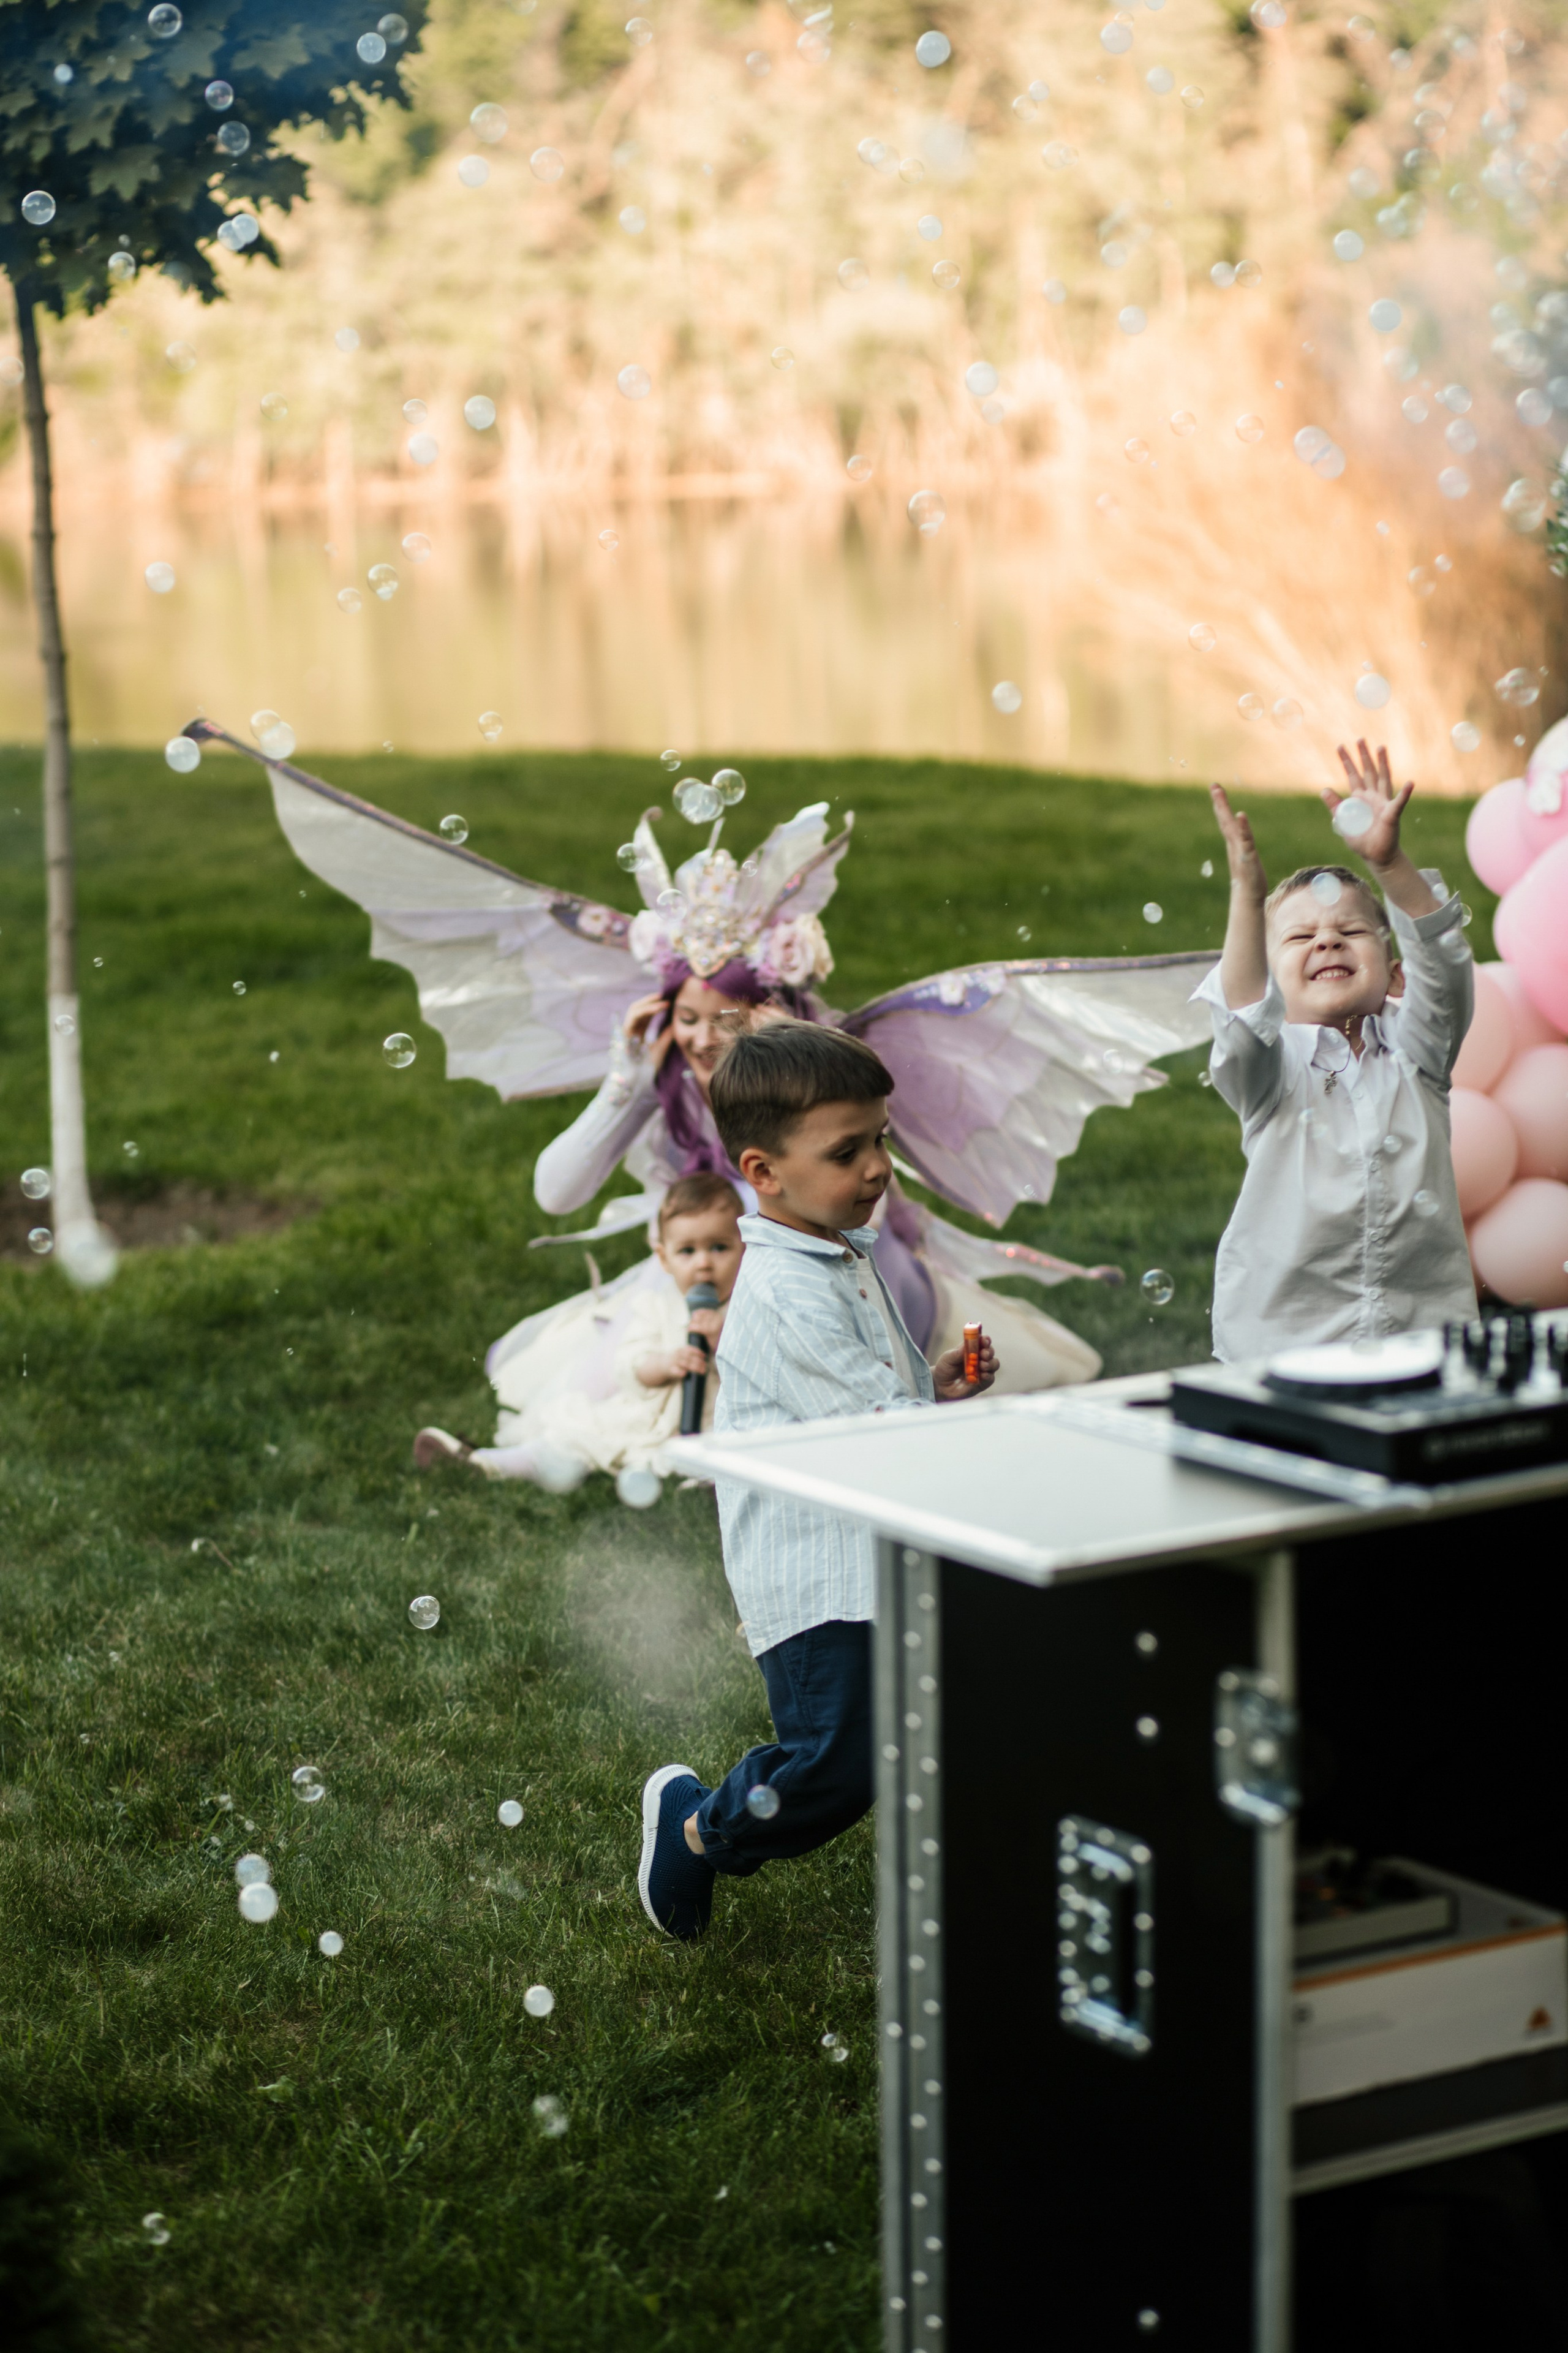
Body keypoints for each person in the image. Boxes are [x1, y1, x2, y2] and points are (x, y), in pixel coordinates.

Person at [636, 1021, 998, 1940]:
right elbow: (878, 1426)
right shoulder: (788, 1290)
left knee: (915, 1727)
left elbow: (869, 1392)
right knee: (834, 1766)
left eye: (881, 1139)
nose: (878, 1167)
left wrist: (935, 1381)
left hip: (869, 1549)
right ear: (764, 1171)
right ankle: (697, 1828)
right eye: (850, 1150)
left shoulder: (832, 1243)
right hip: (816, 1575)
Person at [1199, 739, 1477, 1361]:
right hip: (1280, 1347)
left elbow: (1447, 968)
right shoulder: (1271, 1076)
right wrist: (1247, 895)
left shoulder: (1419, 1058)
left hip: (1422, 1341)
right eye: (1300, 936)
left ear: (1395, 975)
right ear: (1273, 983)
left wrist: (1389, 862)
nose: (1327, 940)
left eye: (1351, 930)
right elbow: (1243, 1018)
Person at [414, 1173, 743, 1490]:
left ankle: (711, 1482)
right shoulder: (654, 1306)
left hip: (715, 1422)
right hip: (651, 1417)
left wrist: (725, 1339)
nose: (703, 1263)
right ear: (664, 1259)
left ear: (744, 1248)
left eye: (718, 1248)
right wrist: (664, 1365)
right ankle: (493, 1464)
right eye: (687, 1251)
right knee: (577, 1433)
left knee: (735, 1451)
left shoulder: (746, 1308)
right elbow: (629, 1363)